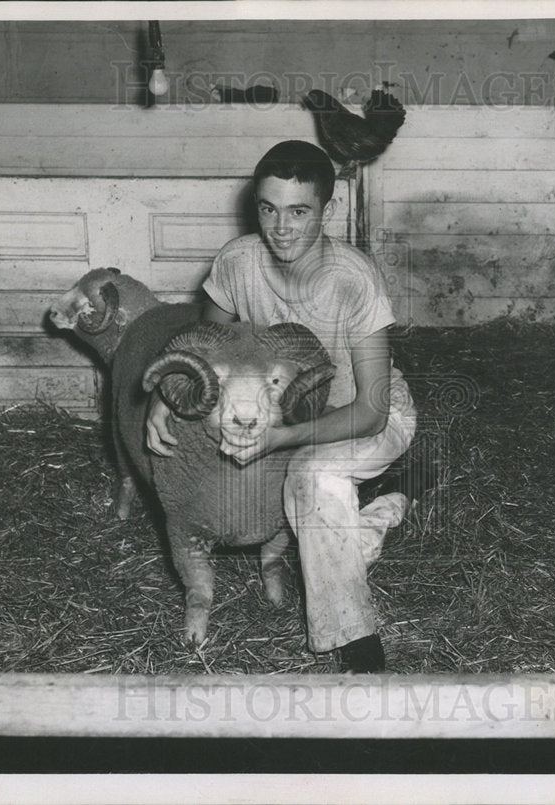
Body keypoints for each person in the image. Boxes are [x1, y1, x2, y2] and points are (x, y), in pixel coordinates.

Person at [146, 139, 417, 672]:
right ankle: (378, 512)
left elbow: (372, 409)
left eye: (299, 211)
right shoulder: (238, 261)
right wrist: (162, 397)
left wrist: (279, 441)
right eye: (269, 209)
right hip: (284, 415)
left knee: (310, 482)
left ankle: (355, 642)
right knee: (318, 523)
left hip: (360, 420)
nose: (282, 227)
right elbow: (203, 344)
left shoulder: (354, 279)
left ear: (329, 211)